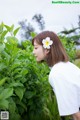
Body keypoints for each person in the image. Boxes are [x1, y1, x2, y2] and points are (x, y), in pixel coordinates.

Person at [32, 31, 80, 120]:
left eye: (36, 48)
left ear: (47, 49)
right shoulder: (66, 66)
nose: (33, 52)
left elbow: (77, 115)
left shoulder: (57, 73)